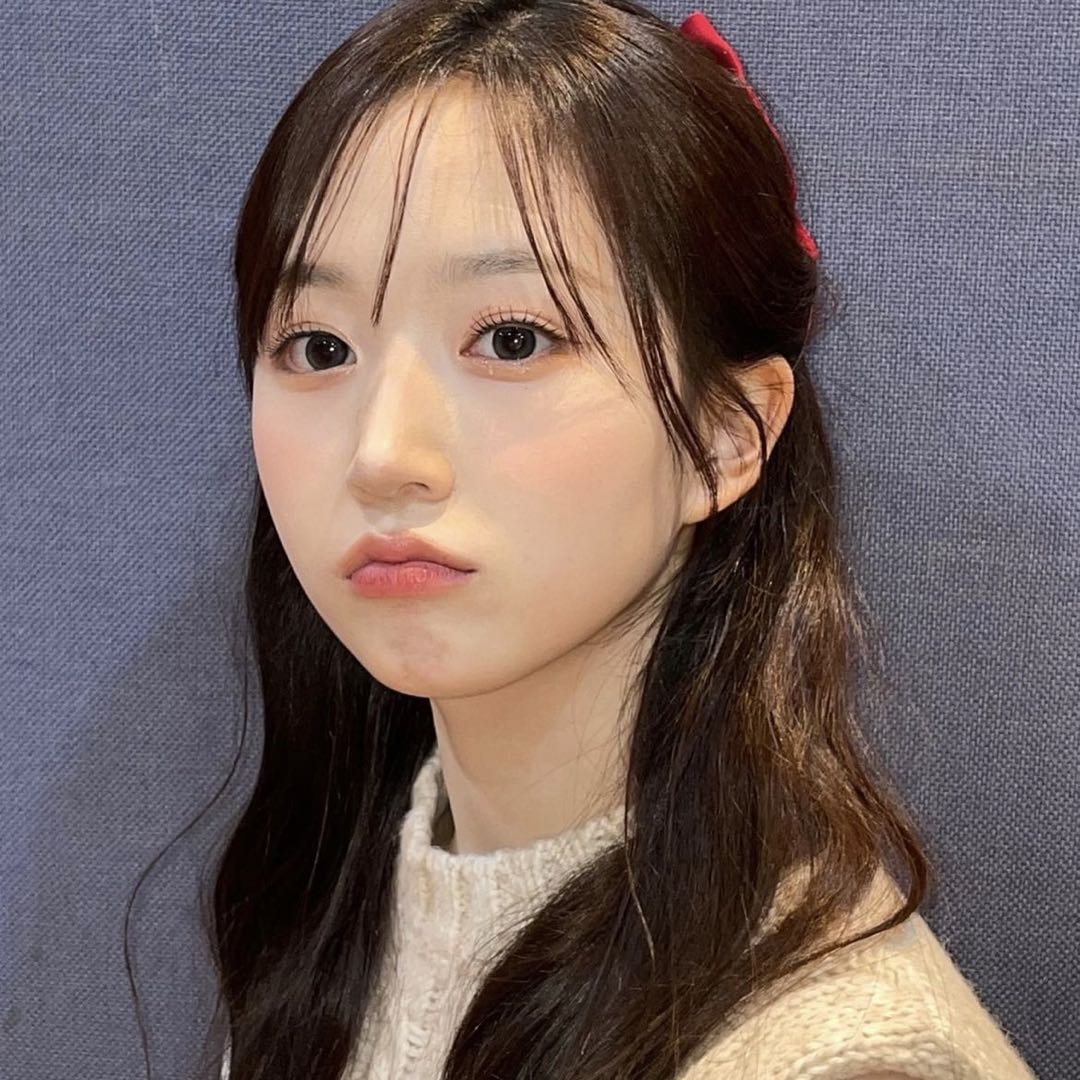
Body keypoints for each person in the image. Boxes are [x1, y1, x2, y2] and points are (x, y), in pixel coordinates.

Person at [200, 0, 1037, 1076]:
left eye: (513, 338)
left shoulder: (837, 1056)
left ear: (727, 435)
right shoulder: (328, 902)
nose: (382, 452)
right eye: (318, 347)